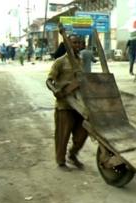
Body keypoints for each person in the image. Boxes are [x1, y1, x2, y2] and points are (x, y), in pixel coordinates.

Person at [46, 34, 88, 170]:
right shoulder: (60, 62)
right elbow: (49, 80)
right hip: (64, 105)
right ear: (68, 44)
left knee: (83, 132)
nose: (77, 45)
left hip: (79, 105)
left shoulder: (80, 61)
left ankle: (73, 154)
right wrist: (55, 91)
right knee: (62, 135)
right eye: (74, 43)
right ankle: (61, 161)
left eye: (79, 43)